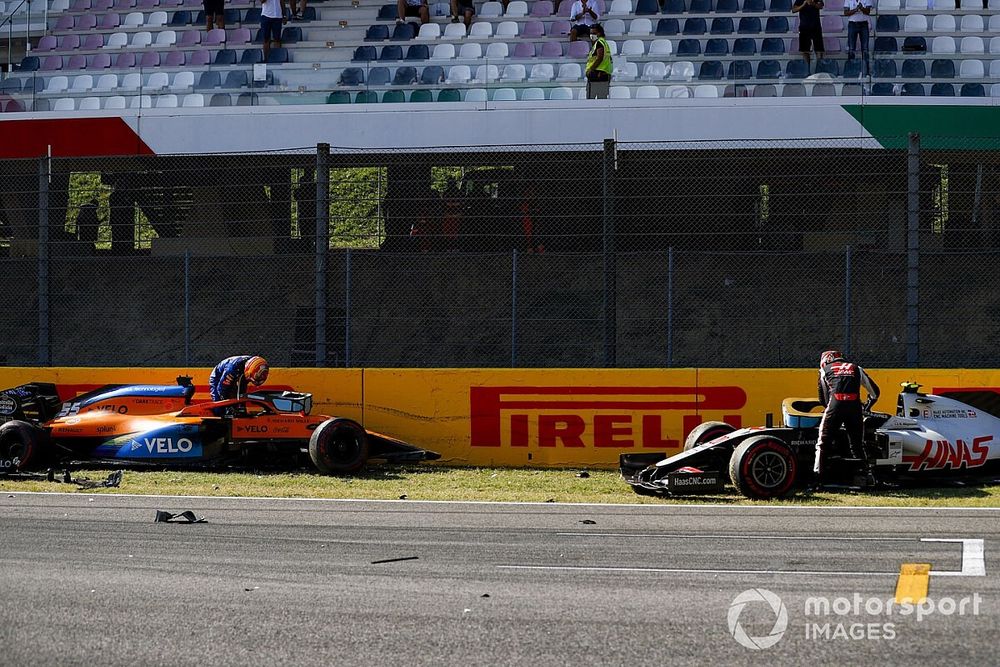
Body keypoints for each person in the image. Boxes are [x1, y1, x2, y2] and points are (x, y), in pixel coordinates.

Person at [813, 350, 880, 487]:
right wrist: (867, 406)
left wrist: (832, 410)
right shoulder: (856, 368)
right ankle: (864, 477)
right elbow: (875, 392)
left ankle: (818, 478)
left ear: (825, 360)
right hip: (855, 409)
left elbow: (823, 398)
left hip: (835, 407)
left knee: (823, 443)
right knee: (857, 444)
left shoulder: (824, 370)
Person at [791, 0, 824, 69]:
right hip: (804, 27)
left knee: (819, 50)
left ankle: (820, 69)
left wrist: (813, 4)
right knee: (805, 50)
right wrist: (804, 4)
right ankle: (807, 70)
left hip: (816, 27)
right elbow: (793, 10)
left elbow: (821, 6)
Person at [585, 23, 612, 99]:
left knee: (591, 99)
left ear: (599, 33)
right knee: (602, 99)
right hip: (604, 74)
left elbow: (600, 57)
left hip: (597, 74)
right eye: (590, 33)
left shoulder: (599, 43)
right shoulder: (604, 43)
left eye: (594, 33)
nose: (591, 35)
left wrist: (591, 69)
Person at [843, 0, 871, 72]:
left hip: (864, 24)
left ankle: (866, 71)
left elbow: (868, 11)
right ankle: (851, 71)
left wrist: (861, 8)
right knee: (851, 48)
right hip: (852, 24)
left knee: (865, 49)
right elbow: (845, 13)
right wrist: (856, 9)